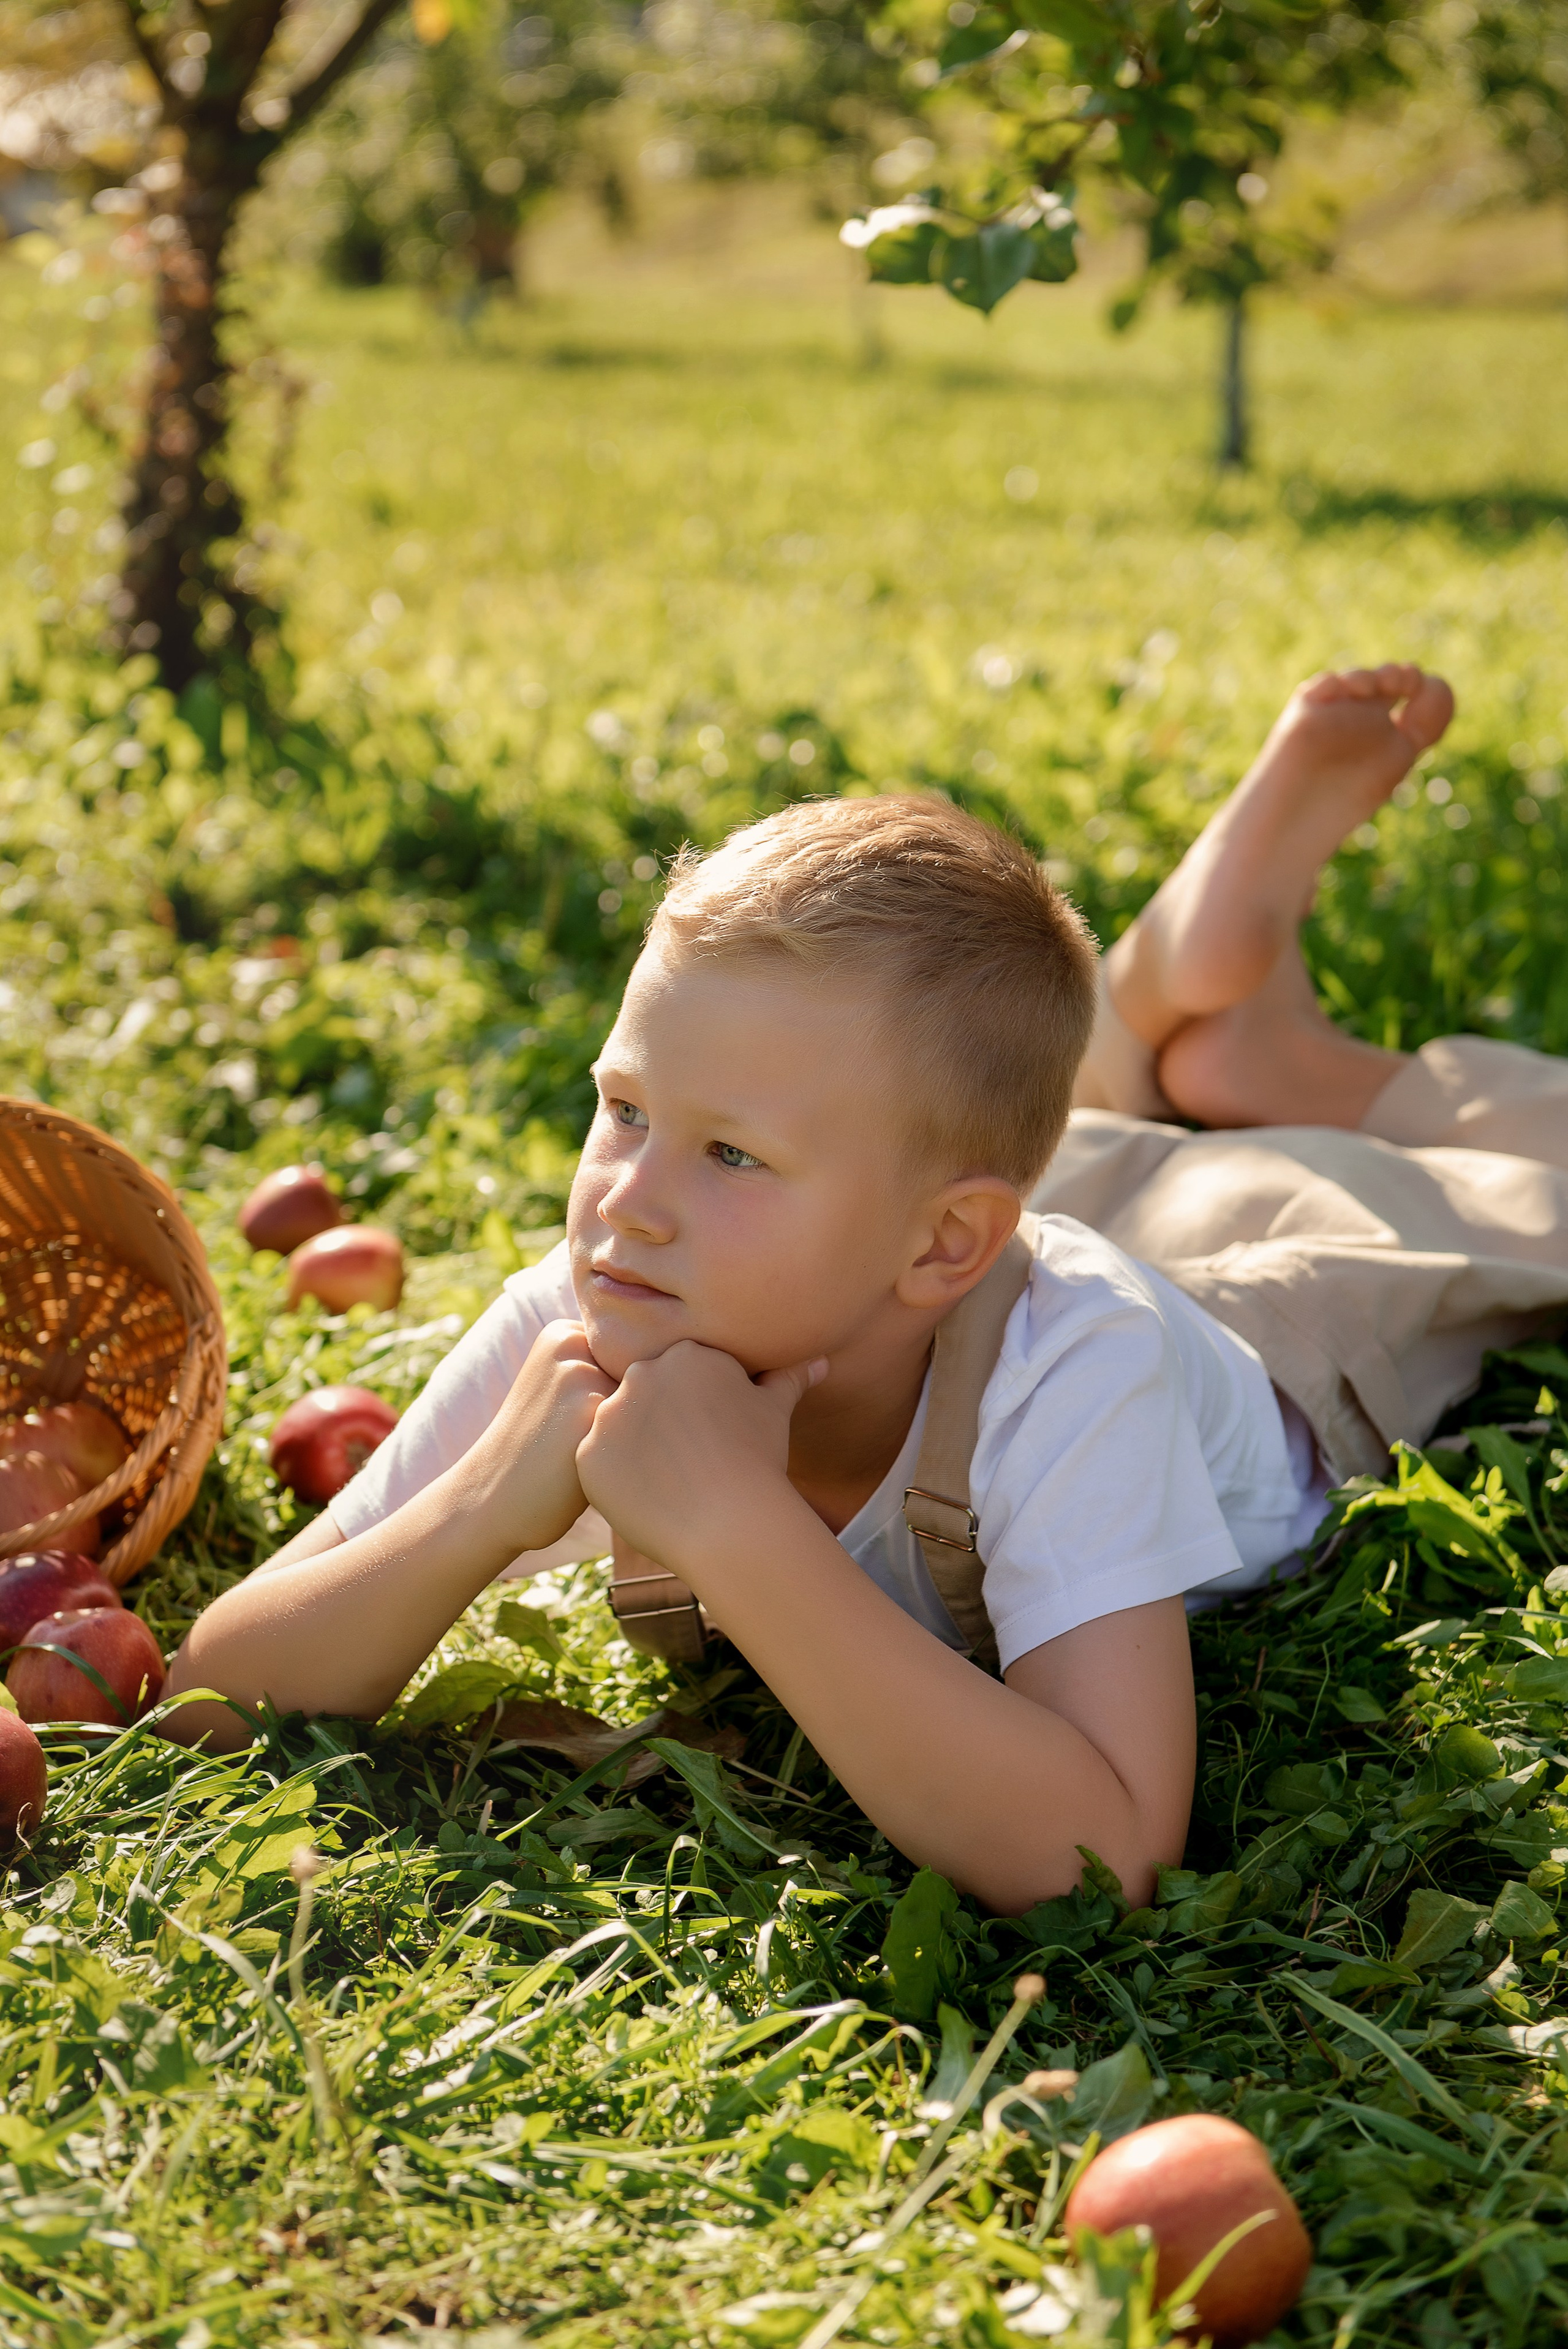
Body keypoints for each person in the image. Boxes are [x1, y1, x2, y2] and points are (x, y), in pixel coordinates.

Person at [165, 664, 1568, 1915]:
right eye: (624, 1107)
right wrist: (479, 1511)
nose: (628, 1196)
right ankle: (1169, 1015)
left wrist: (734, 1529)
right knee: (948, 1128)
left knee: (1505, 1208)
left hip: (1253, 1312)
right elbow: (214, 1695)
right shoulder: (600, 1305)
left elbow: (1105, 1849)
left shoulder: (1080, 1367)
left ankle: (1302, 1075)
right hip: (943, 1229)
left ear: (946, 1250)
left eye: (725, 1150)